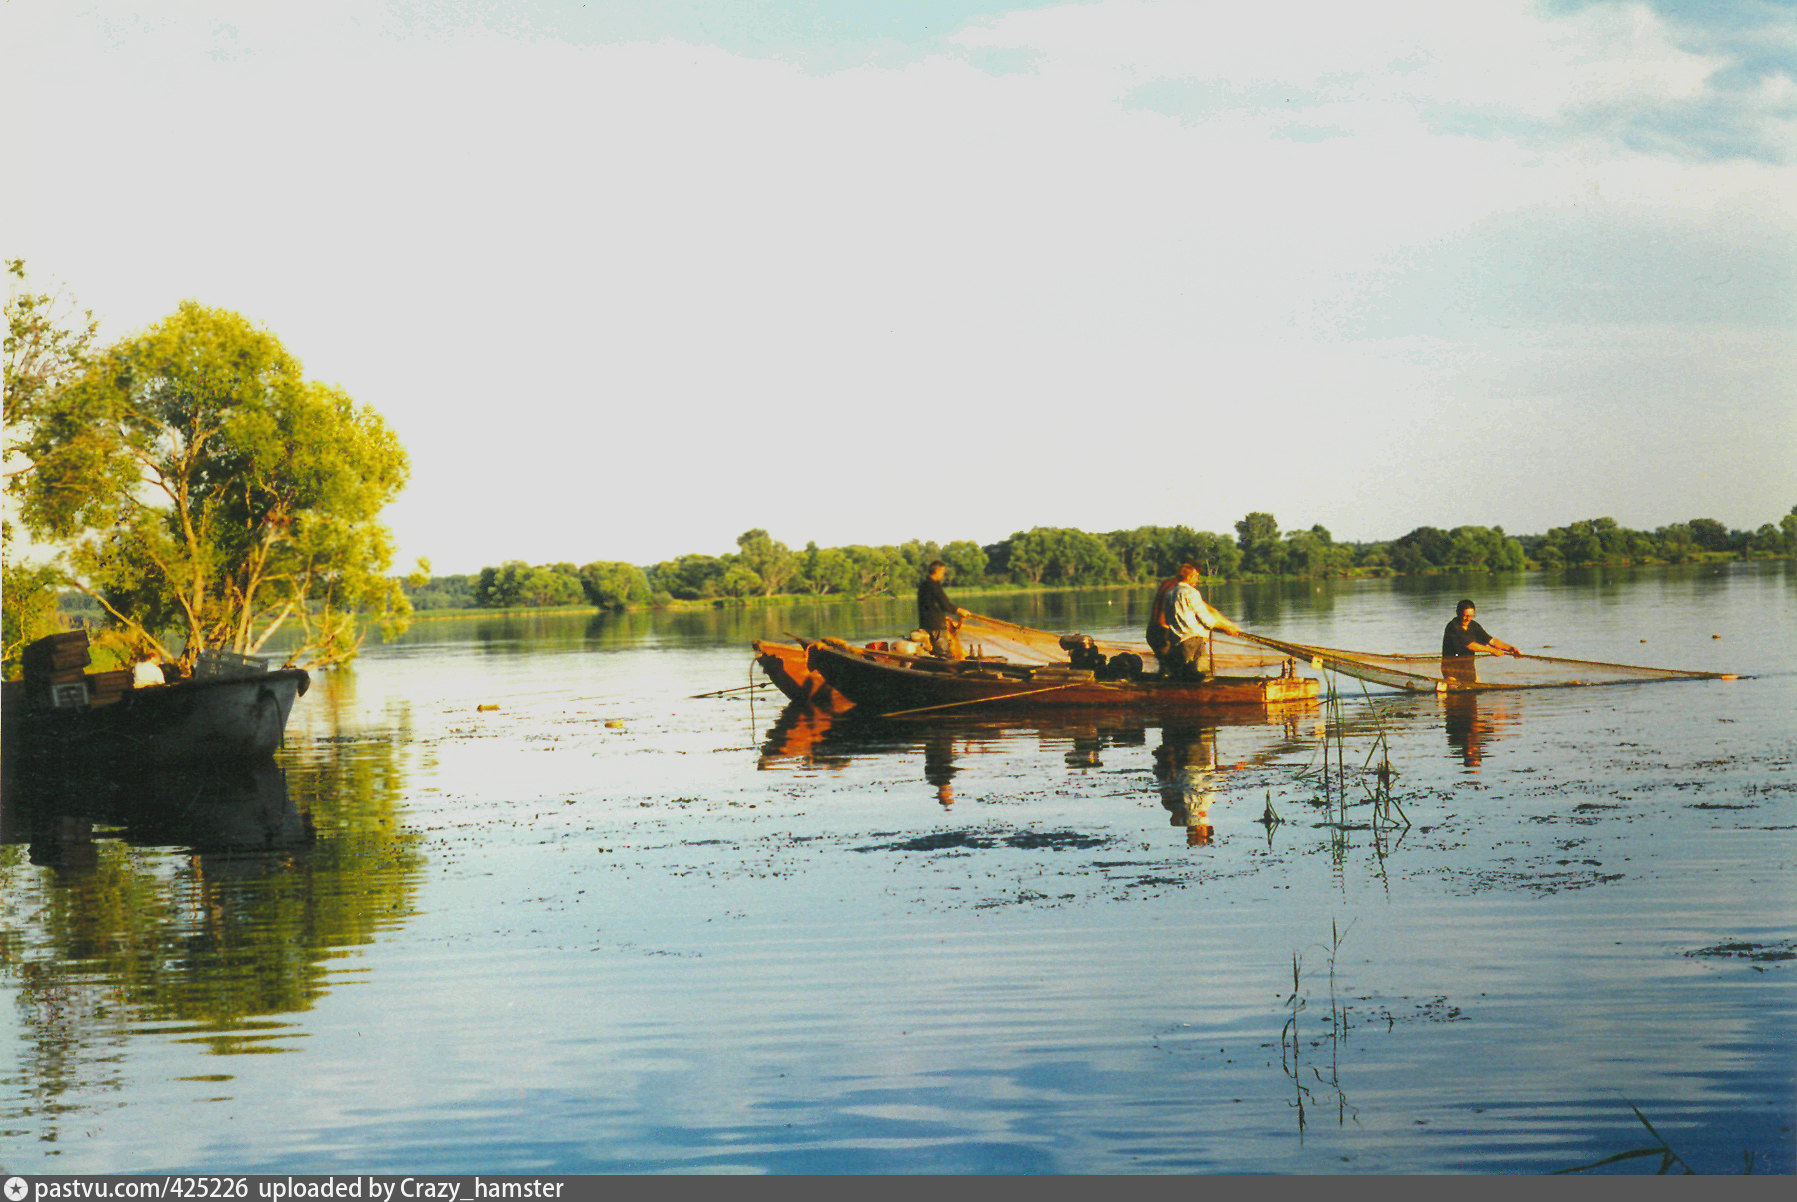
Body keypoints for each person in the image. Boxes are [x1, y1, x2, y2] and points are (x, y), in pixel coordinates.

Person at [1151, 562, 1243, 681]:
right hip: (1193, 641)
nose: (1197, 580)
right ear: (1188, 576)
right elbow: (1206, 619)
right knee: (1203, 676)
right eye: (1196, 576)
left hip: (1177, 641)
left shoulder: (1170, 593)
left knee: (1183, 676)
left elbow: (1169, 620)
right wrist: (1227, 628)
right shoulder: (1191, 593)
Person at [916, 561, 970, 660]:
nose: (943, 575)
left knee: (936, 653)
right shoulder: (934, 585)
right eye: (943, 572)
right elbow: (945, 604)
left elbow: (929, 605)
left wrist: (942, 616)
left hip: (925, 623)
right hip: (935, 626)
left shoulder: (924, 585)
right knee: (945, 655)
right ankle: (947, 673)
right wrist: (960, 611)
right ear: (937, 571)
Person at [1441, 600, 1523, 659]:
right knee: (1452, 683)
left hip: (1468, 665)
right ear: (1458, 613)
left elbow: (1492, 641)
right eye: (1465, 616)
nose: (1468, 619)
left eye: (1471, 616)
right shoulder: (1452, 627)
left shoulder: (1474, 625)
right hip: (1451, 665)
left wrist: (1511, 648)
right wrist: (1492, 650)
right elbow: (1470, 645)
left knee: (1477, 683)